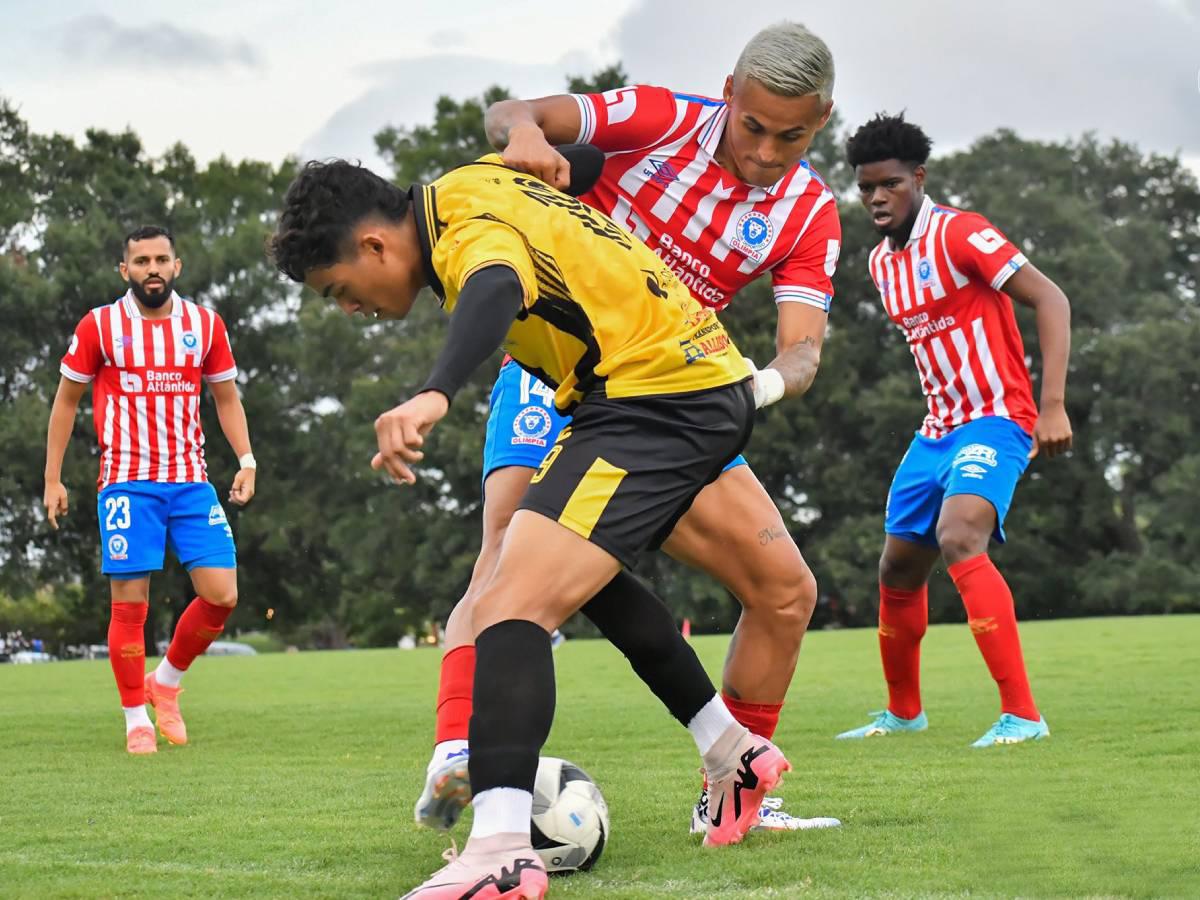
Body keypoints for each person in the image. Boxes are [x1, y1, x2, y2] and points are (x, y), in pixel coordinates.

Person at [271, 153, 795, 898]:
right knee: (567, 572)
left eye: (339, 291)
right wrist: (537, 135)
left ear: (376, 246)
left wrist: (433, 393)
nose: (349, 308)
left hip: (655, 396)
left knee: (509, 605)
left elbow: (494, 286)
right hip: (662, 387)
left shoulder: (463, 231)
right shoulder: (473, 179)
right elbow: (573, 160)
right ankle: (730, 749)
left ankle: (501, 852)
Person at [420, 19, 844, 836]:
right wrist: (524, 138)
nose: (764, 151)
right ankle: (455, 760)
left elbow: (803, 350)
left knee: (786, 591)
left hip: (672, 401)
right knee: (506, 552)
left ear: (821, 120)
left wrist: (761, 387)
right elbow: (513, 112)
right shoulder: (661, 119)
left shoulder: (809, 211)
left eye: (790, 136)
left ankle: (732, 795)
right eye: (753, 126)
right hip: (560, 376)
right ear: (728, 94)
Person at [836, 114, 1072, 747]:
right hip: (935, 430)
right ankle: (903, 713)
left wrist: (1052, 404)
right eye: (865, 189)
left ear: (918, 178)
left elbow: (1052, 299)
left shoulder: (964, 234)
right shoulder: (879, 264)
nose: (876, 198)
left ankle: (1023, 716)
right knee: (898, 568)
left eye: (888, 185)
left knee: (960, 534)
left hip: (996, 419)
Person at [44, 225, 257, 754]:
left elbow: (226, 399)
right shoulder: (101, 325)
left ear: (177, 265)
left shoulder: (205, 325)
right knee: (129, 606)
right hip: (126, 484)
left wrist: (247, 459)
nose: (152, 268)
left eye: (161, 258)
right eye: (141, 261)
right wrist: (53, 477)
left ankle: (164, 683)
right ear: (126, 270)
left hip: (190, 481)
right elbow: (66, 401)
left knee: (222, 593)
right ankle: (135, 717)